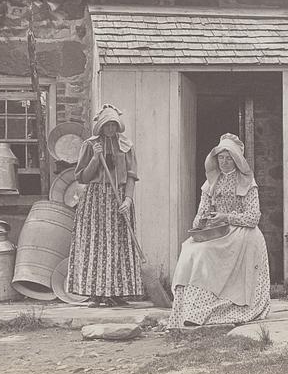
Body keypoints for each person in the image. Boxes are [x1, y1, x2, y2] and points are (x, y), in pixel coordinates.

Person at [168, 133, 270, 328]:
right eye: (221, 158)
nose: (224, 162)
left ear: (236, 160)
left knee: (204, 253)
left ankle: (208, 309)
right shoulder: (211, 182)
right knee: (190, 250)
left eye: (228, 158)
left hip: (242, 233)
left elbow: (253, 217)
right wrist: (202, 221)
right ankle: (187, 310)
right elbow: (199, 215)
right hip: (216, 231)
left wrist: (227, 217)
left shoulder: (247, 182)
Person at [66, 104, 143, 307]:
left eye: (113, 125)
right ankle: (96, 293)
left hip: (119, 199)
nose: (110, 129)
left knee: (118, 245)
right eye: (107, 125)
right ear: (100, 126)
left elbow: (132, 177)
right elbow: (82, 177)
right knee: (96, 245)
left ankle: (117, 292)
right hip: (95, 200)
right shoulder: (90, 145)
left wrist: (128, 199)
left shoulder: (126, 145)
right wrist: (95, 158)